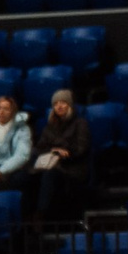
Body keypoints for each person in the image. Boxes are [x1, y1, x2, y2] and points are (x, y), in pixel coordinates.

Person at [29, 89, 91, 221]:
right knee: (28, 175)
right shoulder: (49, 127)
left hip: (72, 168)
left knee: (50, 174)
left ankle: (40, 215)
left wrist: (62, 152)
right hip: (52, 165)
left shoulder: (80, 123)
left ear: (70, 105)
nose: (59, 106)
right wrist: (54, 150)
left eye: (63, 102)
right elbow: (39, 148)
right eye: (56, 103)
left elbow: (81, 149)